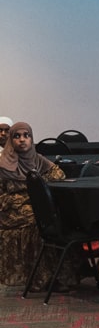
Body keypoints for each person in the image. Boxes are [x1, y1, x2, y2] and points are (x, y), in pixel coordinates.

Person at [0, 122, 73, 288]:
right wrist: (24, 196)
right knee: (39, 223)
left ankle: (61, 275)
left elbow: (59, 176)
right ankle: (41, 278)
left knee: (59, 218)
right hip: (12, 211)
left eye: (26, 136)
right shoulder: (3, 165)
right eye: (17, 136)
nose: (22, 140)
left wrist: (38, 186)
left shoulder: (38, 160)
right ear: (11, 140)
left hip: (38, 205)